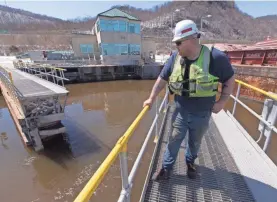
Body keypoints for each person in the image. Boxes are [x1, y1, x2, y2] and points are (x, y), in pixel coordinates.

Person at [143, 19, 235, 180]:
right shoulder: (174, 59)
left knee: (195, 142)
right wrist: (151, 98)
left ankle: (190, 163)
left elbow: (229, 78)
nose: (176, 46)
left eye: (178, 43)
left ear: (191, 39)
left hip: (202, 113)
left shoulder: (215, 57)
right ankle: (166, 168)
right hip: (180, 111)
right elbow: (162, 80)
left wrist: (222, 102)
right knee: (173, 140)